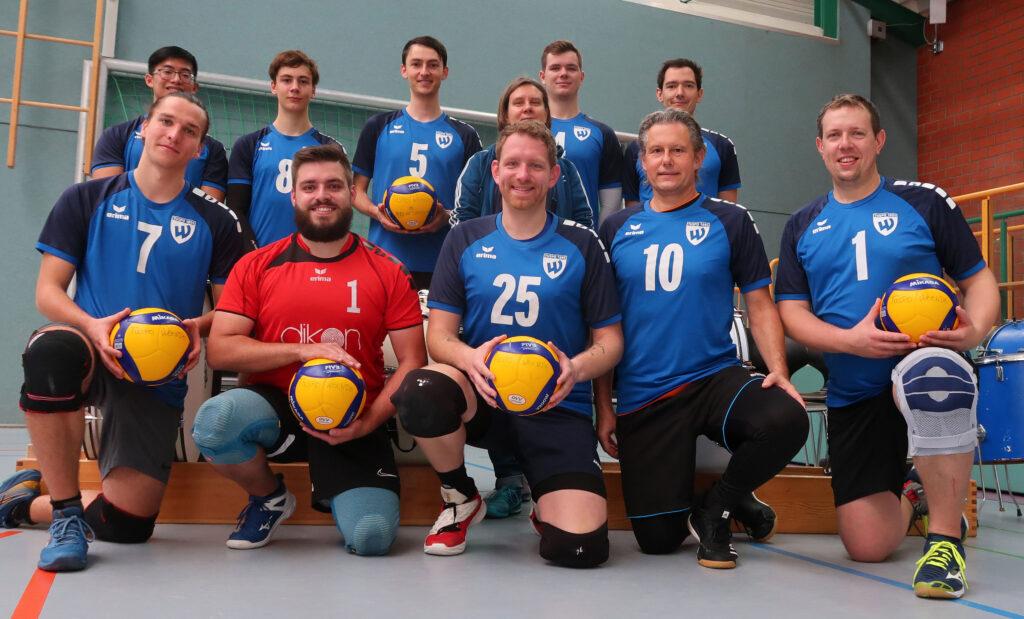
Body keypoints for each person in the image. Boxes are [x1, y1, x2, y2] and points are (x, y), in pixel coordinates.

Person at [0, 92, 244, 571]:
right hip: (92, 344)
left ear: (199, 149)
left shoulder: (215, 220)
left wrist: (199, 325)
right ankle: (68, 516)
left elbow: (231, 308)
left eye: (189, 130)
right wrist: (91, 326)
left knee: (130, 524)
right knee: (50, 350)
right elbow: (49, 291)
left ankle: (24, 504)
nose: (174, 134)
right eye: (166, 122)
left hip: (159, 368)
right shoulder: (86, 197)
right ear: (143, 129)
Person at [775, 94, 999, 599]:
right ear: (820, 147)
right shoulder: (802, 224)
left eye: (857, 133)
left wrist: (974, 331)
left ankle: (945, 541)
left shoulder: (923, 201)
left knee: (932, 371)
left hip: (927, 368)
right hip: (855, 389)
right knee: (867, 545)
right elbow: (792, 313)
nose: (845, 144)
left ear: (878, 141)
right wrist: (849, 341)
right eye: (834, 136)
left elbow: (979, 281)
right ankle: (916, 491)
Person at [390, 121, 623, 567]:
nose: (523, 175)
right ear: (495, 171)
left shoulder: (582, 243)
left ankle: (546, 499)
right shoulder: (465, 238)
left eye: (536, 165)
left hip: (557, 406)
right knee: (421, 389)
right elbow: (438, 336)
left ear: (554, 176)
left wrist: (575, 368)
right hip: (484, 398)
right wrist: (469, 357)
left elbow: (610, 342)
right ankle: (460, 497)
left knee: (579, 551)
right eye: (513, 164)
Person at [596, 108, 807, 569]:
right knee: (656, 541)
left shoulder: (730, 219)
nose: (666, 160)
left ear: (698, 158)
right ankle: (723, 502)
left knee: (786, 417)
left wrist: (777, 371)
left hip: (714, 376)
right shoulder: (615, 229)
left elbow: (759, 302)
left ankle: (720, 506)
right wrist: (605, 404)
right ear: (642, 164)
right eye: (656, 151)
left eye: (677, 150)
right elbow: (603, 325)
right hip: (644, 393)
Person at [190, 144, 426, 555]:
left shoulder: (386, 269)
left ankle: (350, 481)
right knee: (218, 420)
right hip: (275, 411)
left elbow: (412, 361)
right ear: (294, 196)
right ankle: (269, 497)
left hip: (354, 414)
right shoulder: (257, 264)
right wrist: (303, 351)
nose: (322, 195)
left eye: (334, 185)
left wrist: (368, 423)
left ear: (352, 194)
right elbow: (222, 351)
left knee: (372, 538)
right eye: (310, 186)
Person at [452, 76, 591, 520]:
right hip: (493, 276)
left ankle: (547, 481)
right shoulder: (480, 164)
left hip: (554, 282)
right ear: (504, 114)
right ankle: (508, 478)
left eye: (536, 101)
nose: (528, 107)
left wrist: (551, 251)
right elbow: (463, 219)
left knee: (542, 377)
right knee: (494, 371)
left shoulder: (565, 171)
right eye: (518, 102)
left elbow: (585, 218)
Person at [352, 36, 483, 290]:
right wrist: (377, 213)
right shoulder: (378, 127)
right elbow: (355, 191)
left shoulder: (465, 135)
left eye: (433, 65)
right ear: (404, 70)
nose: (424, 72)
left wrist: (446, 217)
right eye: (416, 64)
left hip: (444, 261)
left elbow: (476, 203)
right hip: (384, 259)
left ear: (444, 72)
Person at [227, 50, 343, 247]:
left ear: (313, 90)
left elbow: (337, 208)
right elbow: (236, 209)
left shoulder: (330, 148)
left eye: (303, 81)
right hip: (260, 257)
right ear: (274, 86)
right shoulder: (248, 145)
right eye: (287, 80)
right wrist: (252, 253)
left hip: (313, 260)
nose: (295, 88)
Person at [91, 46, 228, 201]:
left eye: (185, 75)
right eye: (167, 72)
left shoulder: (213, 149)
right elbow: (105, 198)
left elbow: (210, 211)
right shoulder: (116, 135)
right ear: (149, 79)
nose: (176, 79)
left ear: (194, 87)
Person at [623, 58, 740, 208]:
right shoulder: (636, 147)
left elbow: (729, 213)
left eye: (688, 85)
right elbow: (632, 213)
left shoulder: (722, 146)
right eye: (671, 86)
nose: (680, 93)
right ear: (659, 94)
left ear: (699, 94)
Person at [538, 40, 623, 224]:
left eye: (571, 68)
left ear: (581, 76)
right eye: (555, 68)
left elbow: (612, 204)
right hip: (528, 240)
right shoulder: (526, 131)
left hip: (580, 243)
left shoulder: (602, 134)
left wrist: (595, 241)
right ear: (542, 76)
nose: (563, 74)